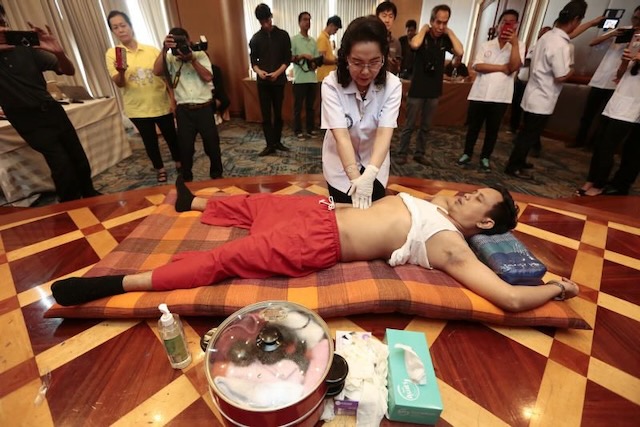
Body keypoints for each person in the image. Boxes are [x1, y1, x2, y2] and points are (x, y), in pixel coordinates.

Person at [51, 177, 580, 313]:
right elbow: (408, 193)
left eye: (477, 199)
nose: (464, 194)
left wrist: (556, 288)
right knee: (262, 204)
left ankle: (111, 283)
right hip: (320, 211)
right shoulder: (441, 204)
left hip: (318, 241)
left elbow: (508, 297)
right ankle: (192, 205)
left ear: (486, 226)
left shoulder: (450, 244)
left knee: (220, 261)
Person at [0, 11, 100, 202]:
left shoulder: (24, 48)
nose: (2, 28)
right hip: (26, 119)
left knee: (78, 157)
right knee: (61, 164)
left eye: (2, 22)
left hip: (52, 110)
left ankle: (90, 195)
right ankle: (69, 207)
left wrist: (58, 52)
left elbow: (67, 70)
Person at [320, 16, 402, 208]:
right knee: (344, 217)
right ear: (345, 57)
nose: (365, 72)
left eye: (374, 62)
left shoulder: (392, 85)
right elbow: (342, 137)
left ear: (383, 57)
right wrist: (355, 177)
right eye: (357, 62)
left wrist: (370, 174)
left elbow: (384, 133)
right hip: (340, 163)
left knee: (373, 218)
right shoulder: (331, 84)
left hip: (375, 159)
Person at [504, 1, 588, 180]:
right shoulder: (560, 44)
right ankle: (514, 166)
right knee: (529, 134)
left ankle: (520, 160)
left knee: (527, 132)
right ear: (575, 20)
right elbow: (561, 75)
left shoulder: (547, 36)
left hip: (533, 92)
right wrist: (572, 68)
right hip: (542, 96)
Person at [106, 10, 180, 184]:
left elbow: (165, 76)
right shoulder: (112, 54)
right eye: (115, 27)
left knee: (171, 136)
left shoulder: (151, 50)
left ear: (130, 26)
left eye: (123, 25)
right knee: (150, 141)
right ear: (113, 31)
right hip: (137, 108)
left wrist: (172, 98)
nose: (120, 30)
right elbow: (119, 83)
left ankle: (179, 162)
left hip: (160, 102)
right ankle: (160, 168)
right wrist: (121, 72)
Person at [456, 9, 524, 173]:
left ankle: (485, 157)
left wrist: (514, 44)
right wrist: (502, 67)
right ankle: (467, 153)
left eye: (511, 22)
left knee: (492, 131)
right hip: (480, 93)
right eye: (503, 22)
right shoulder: (487, 45)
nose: (506, 25)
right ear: (498, 25)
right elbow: (478, 66)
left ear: (516, 26)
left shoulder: (519, 45)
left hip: (500, 97)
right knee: (473, 128)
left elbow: (514, 67)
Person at [396, 4, 464, 166]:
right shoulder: (423, 36)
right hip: (417, 89)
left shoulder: (445, 38)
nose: (441, 26)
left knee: (426, 127)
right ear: (432, 21)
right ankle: (402, 153)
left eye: (445, 23)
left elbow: (459, 51)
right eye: (438, 22)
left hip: (434, 90)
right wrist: (424, 29)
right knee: (409, 125)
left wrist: (450, 32)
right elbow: (414, 45)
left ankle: (420, 153)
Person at [153, 27, 223, 182]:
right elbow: (156, 71)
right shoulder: (170, 59)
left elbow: (208, 77)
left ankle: (217, 175)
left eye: (183, 42)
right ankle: (186, 177)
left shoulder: (200, 54)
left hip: (204, 108)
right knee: (185, 148)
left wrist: (192, 59)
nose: (180, 47)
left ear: (189, 41)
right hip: (184, 111)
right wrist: (164, 49)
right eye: (176, 44)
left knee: (212, 145)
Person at [569, 6, 640, 149]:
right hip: (601, 79)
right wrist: (612, 34)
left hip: (619, 83)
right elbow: (593, 42)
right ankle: (579, 140)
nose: (636, 21)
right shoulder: (623, 30)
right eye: (635, 17)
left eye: (639, 19)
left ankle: (594, 145)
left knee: (605, 119)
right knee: (588, 113)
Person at [577, 46, 640, 196]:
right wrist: (625, 62)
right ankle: (591, 180)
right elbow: (619, 76)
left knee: (609, 147)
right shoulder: (635, 51)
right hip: (614, 104)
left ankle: (599, 184)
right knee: (599, 144)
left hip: (630, 110)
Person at [249, 3, 291, 156]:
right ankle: (269, 144)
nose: (265, 24)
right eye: (262, 22)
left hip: (279, 81)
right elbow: (253, 61)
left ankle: (277, 141)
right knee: (266, 115)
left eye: (267, 20)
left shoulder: (283, 35)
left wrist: (277, 73)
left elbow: (287, 59)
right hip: (263, 83)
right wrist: (259, 72)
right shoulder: (255, 38)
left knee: (278, 114)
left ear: (271, 17)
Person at [510, 26, 552, 134]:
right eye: (540, 33)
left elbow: (530, 62)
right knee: (516, 105)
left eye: (544, 34)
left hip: (532, 83)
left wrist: (524, 61)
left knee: (528, 110)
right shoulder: (534, 47)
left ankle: (524, 131)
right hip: (520, 79)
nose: (541, 35)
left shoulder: (549, 49)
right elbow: (523, 62)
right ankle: (513, 128)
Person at [291, 11, 319, 139]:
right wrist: (302, 56)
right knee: (298, 107)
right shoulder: (294, 40)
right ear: (299, 22)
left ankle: (310, 129)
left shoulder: (313, 41)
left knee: (310, 107)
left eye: (309, 19)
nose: (307, 22)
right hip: (299, 79)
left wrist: (314, 63)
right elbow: (289, 58)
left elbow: (317, 59)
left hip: (312, 78)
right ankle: (297, 130)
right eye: (304, 19)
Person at [376, 1, 402, 75]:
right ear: (377, 17)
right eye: (384, 16)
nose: (387, 20)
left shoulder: (396, 43)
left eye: (390, 16)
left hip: (388, 80)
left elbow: (398, 69)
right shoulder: (371, 39)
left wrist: (396, 66)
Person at [316, 16, 342, 82]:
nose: (336, 32)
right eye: (336, 29)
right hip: (324, 76)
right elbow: (322, 59)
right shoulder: (322, 38)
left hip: (327, 75)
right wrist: (335, 62)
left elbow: (327, 56)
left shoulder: (327, 39)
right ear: (331, 25)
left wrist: (334, 59)